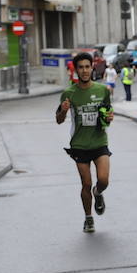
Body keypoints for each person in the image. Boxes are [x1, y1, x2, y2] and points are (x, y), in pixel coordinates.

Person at [56, 52, 115, 233]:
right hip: (80, 145)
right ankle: (88, 218)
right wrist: (64, 111)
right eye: (80, 67)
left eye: (87, 67)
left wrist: (109, 116)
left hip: (99, 141)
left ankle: (98, 194)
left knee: (103, 180)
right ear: (76, 70)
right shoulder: (69, 93)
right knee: (86, 184)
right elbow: (58, 119)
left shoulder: (102, 90)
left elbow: (107, 112)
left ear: (92, 68)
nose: (84, 71)